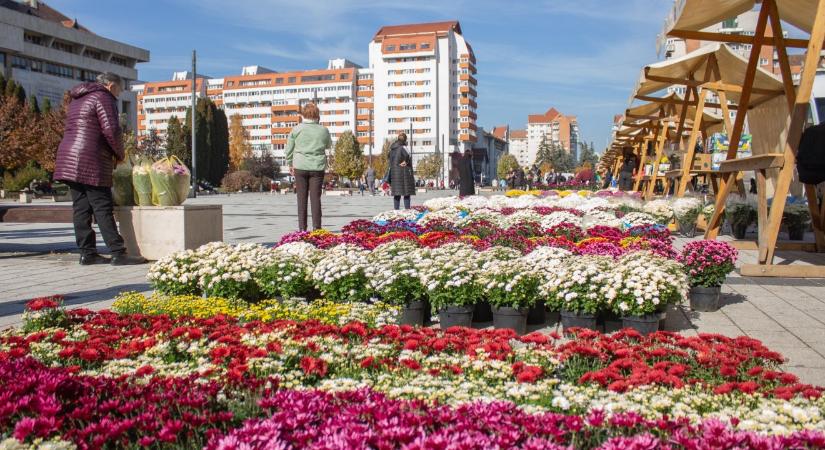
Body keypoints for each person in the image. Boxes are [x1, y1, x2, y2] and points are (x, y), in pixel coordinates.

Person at [54, 73, 146, 266]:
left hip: (68, 156)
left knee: (81, 208)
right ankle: (118, 253)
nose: (118, 95)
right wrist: (120, 154)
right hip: (91, 158)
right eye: (119, 91)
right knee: (102, 205)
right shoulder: (103, 97)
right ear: (111, 86)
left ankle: (87, 253)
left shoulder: (77, 99)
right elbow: (111, 129)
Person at [286, 102, 331, 231]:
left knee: (301, 199)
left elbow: (289, 149)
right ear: (317, 115)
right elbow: (328, 145)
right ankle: (317, 229)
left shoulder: (297, 129)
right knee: (316, 199)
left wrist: (290, 163)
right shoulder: (323, 129)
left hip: (300, 166)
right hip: (317, 167)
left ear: (303, 114)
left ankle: (302, 229)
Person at [387, 133, 415, 209]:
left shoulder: (392, 148)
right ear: (405, 140)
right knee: (406, 193)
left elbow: (389, 157)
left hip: (395, 173)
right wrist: (406, 161)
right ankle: (407, 210)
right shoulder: (403, 147)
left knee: (397, 193)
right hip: (404, 173)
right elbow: (408, 155)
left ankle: (396, 211)